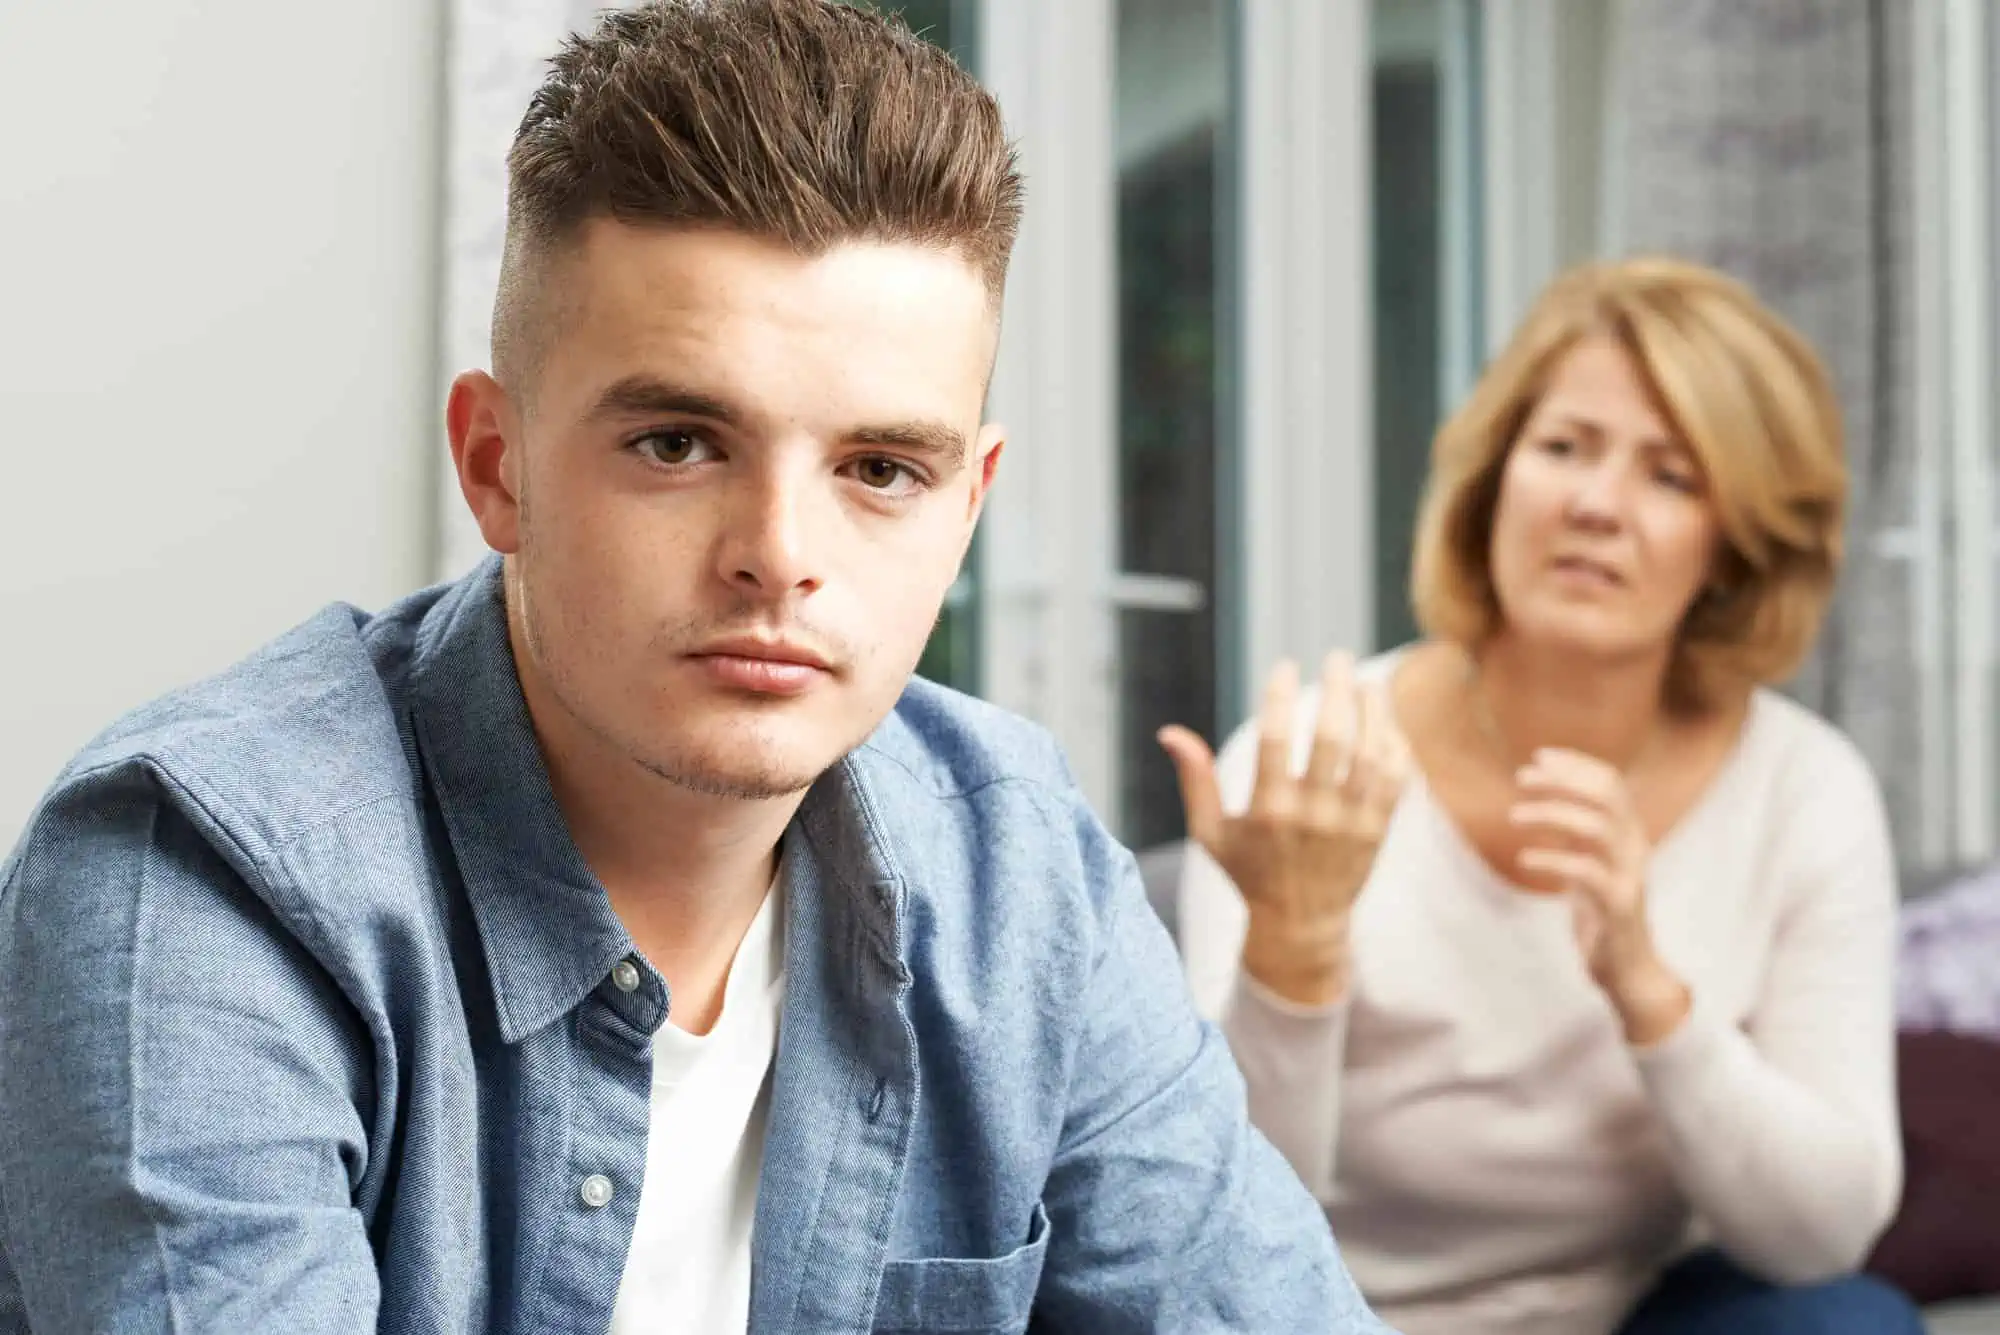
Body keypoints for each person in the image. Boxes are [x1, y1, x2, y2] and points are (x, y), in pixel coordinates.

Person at [0, 3, 1385, 1330]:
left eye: (882, 469)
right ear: (500, 465)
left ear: (968, 505)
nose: (779, 555)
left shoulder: (1019, 868)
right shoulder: (201, 875)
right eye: (678, 442)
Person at [1163, 257, 1920, 1335]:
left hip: (1633, 1313)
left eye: (1670, 476)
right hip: (1330, 1315)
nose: (1595, 505)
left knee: (1846, 1323)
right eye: (1561, 448)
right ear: (1493, 485)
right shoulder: (1302, 766)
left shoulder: (1804, 790)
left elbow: (1819, 1237)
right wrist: (1295, 945)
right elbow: (1211, 1227)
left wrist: (1647, 989)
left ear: (1733, 544)